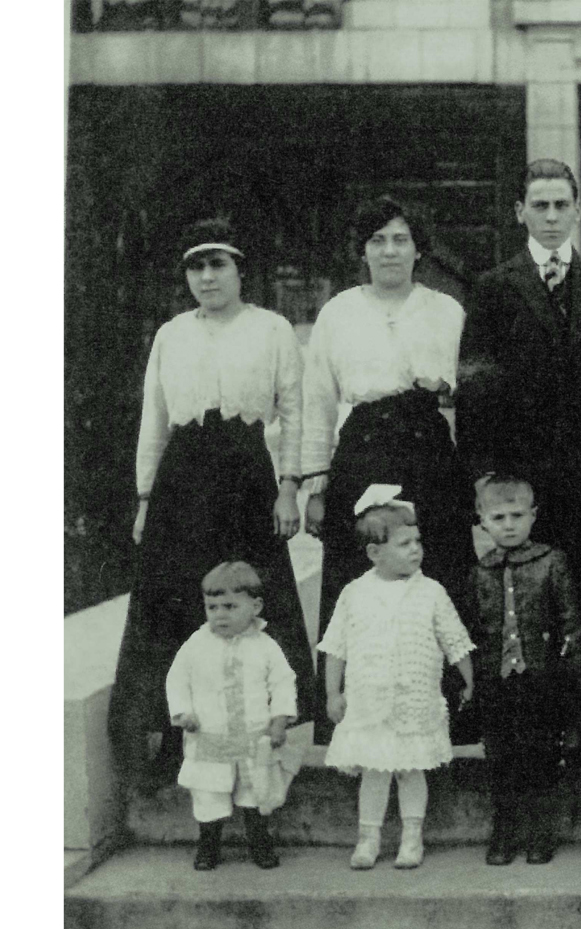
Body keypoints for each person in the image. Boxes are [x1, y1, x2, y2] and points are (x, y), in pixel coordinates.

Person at [110, 218, 313, 793]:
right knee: (174, 594)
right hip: (183, 474)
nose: (207, 277)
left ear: (240, 271)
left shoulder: (272, 329)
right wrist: (146, 497)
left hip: (248, 472)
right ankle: (176, 735)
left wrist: (289, 486)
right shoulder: (171, 334)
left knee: (255, 593)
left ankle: (269, 740)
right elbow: (153, 418)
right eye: (196, 267)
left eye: (217, 264)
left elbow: (294, 412)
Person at [302, 196, 470, 740]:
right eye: (377, 240)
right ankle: (353, 716)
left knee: (435, 566)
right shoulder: (339, 312)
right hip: (363, 450)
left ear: (419, 249)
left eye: (400, 239)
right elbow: (318, 401)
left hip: (428, 448)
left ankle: (446, 713)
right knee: (359, 572)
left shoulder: (446, 310)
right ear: (363, 250)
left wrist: (446, 390)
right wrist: (314, 483)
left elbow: (471, 393)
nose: (390, 250)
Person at [458, 159, 581, 571]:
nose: (552, 216)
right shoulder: (493, 288)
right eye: (540, 206)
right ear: (519, 211)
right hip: (520, 471)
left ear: (578, 209)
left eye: (562, 205)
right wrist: (483, 475)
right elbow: (475, 389)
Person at [321, 487, 476, 870]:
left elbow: (455, 639)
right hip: (369, 702)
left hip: (414, 701)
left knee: (410, 771)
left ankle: (412, 837)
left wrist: (469, 679)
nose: (415, 550)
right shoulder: (354, 593)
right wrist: (332, 693)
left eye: (417, 541)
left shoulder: (431, 592)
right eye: (404, 543)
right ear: (375, 553)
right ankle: (368, 837)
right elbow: (335, 646)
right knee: (374, 772)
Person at [467, 474, 581, 867]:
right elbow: (473, 631)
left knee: (540, 756)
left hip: (542, 679)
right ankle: (505, 831)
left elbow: (571, 622)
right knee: (501, 758)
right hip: (496, 682)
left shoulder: (552, 561)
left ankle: (540, 832)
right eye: (498, 517)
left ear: (533, 516)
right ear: (482, 520)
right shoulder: (480, 571)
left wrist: (571, 678)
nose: (508, 524)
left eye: (517, 515)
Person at [166, 561, 298, 871]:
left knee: (255, 794)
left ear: (255, 606)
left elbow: (283, 682)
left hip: (254, 739)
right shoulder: (196, 646)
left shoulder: (266, 647)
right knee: (209, 795)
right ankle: (208, 845)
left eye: (229, 606)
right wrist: (184, 711)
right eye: (212, 607)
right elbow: (177, 679)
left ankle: (259, 842)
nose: (220, 614)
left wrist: (280, 719)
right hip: (210, 738)